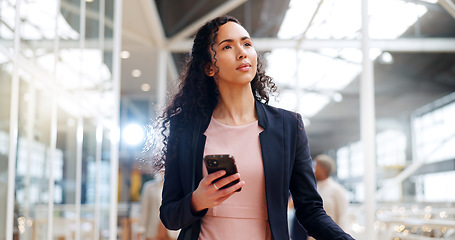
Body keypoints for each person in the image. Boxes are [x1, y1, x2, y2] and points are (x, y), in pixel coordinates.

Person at [155, 15, 354, 240]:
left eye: (247, 43)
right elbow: (169, 216)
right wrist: (198, 200)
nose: (242, 52)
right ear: (209, 67)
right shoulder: (185, 129)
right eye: (227, 46)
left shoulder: (288, 126)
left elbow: (310, 211)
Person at [313, 154, 350, 231]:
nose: (313, 169)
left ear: (323, 169)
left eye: (315, 166)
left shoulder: (337, 190)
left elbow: (342, 217)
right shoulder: (314, 189)